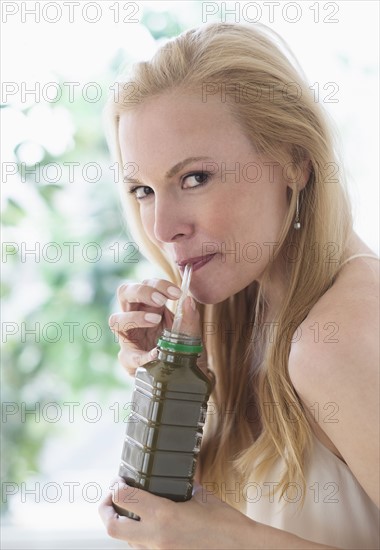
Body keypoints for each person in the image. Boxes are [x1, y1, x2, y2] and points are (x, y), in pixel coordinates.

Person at [98, 22, 379, 549]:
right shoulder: (245, 318)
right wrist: (179, 392)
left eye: (195, 178)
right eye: (143, 189)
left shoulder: (336, 339)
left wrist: (224, 538)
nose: (163, 228)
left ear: (295, 160)